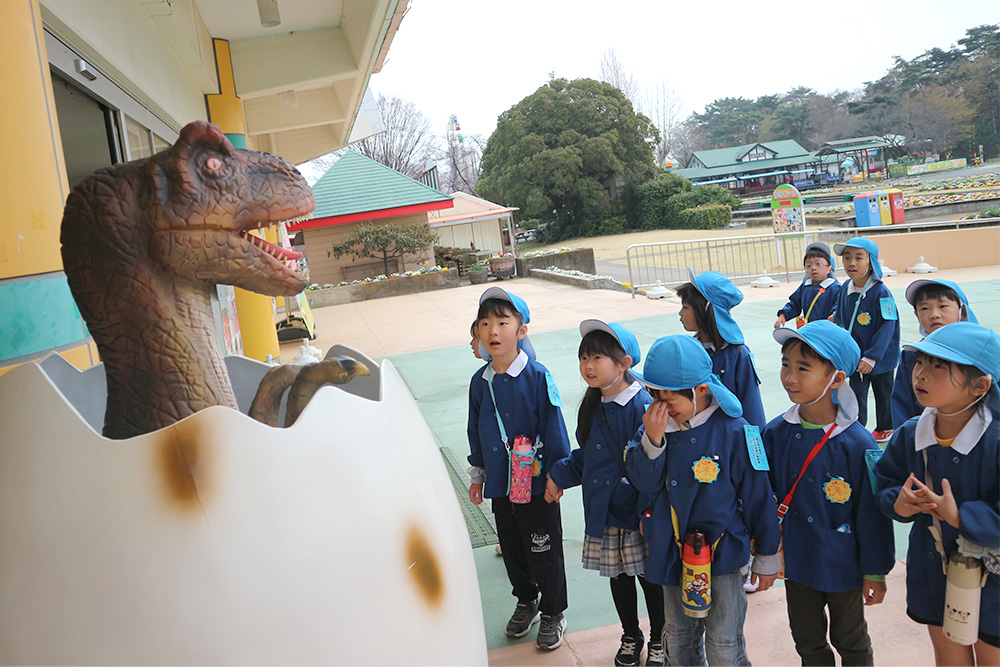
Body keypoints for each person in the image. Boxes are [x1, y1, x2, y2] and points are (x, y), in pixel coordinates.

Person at [625, 334, 781, 666]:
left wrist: (767, 554)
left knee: (724, 643)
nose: (661, 406)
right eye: (654, 394)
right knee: (679, 639)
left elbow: (758, 494)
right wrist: (652, 441)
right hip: (672, 553)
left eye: (669, 397)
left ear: (701, 389)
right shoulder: (654, 428)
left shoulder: (735, 430)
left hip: (725, 555)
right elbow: (642, 481)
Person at [764, 321, 895, 665]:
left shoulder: (858, 443)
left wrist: (875, 570)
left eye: (803, 368)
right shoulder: (775, 433)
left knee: (851, 640)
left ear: (836, 379)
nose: (790, 377)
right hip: (797, 562)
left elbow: (872, 513)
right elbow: (763, 496)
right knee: (806, 640)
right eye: (786, 365)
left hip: (843, 565)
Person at [874, 322, 1000, 666]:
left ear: (979, 386)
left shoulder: (995, 440)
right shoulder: (910, 433)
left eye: (939, 366)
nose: (921, 373)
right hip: (935, 571)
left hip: (995, 582)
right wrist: (898, 503)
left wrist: (961, 516)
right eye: (920, 361)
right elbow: (885, 481)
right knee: (948, 657)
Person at [546, 320, 666, 667]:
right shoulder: (594, 404)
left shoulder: (642, 405)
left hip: (638, 514)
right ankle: (631, 634)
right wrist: (558, 476)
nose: (588, 365)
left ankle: (659, 639)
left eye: (597, 357)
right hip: (606, 512)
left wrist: (646, 512)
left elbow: (652, 463)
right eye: (584, 357)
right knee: (619, 577)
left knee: (650, 580)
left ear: (624, 363)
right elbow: (589, 458)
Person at [466, 287, 571, 650]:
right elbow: (475, 430)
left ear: (521, 331)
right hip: (501, 483)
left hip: (538, 484)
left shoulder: (538, 376)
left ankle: (554, 610)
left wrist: (557, 476)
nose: (492, 331)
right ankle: (527, 600)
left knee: (543, 548)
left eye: (502, 322)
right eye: (484, 324)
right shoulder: (480, 382)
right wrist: (478, 475)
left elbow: (555, 429)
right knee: (512, 549)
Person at [676, 269, 767, 429]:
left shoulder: (738, 355)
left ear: (704, 309)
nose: (680, 313)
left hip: (729, 438)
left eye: (685, 307)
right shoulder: (687, 350)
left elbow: (751, 406)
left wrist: (755, 441)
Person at [832, 238, 900, 442]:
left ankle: (886, 427)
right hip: (856, 355)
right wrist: (834, 319)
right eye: (847, 258)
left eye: (858, 258)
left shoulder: (881, 292)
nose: (851, 263)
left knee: (883, 392)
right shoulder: (846, 287)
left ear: (871, 262)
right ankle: (857, 427)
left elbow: (888, 325)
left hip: (880, 357)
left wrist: (873, 357)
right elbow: (842, 314)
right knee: (856, 393)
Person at [890, 279, 978, 430]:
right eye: (925, 308)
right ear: (916, 315)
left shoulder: (979, 352)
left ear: (962, 311)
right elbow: (902, 405)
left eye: (943, 306)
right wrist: (908, 438)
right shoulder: (910, 355)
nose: (934, 315)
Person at [774, 242, 841, 330]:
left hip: (829, 331)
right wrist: (783, 315)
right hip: (809, 330)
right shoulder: (805, 286)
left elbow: (840, 307)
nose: (813, 268)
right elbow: (795, 304)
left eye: (818, 264)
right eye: (809, 265)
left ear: (830, 269)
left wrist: (835, 315)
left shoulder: (835, 288)